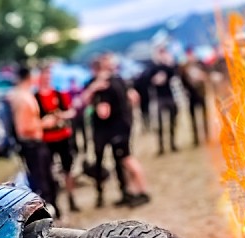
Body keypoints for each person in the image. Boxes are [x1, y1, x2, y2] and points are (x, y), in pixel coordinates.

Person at [81, 54, 151, 208]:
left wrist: (99, 104)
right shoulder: (117, 79)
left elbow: (103, 112)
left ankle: (142, 192)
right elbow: (134, 98)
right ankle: (131, 192)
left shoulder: (106, 85)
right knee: (123, 161)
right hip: (122, 125)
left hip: (116, 129)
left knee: (127, 160)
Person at [8, 66, 59, 214]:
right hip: (31, 145)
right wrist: (44, 123)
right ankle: (47, 213)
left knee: (47, 180)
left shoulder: (24, 94)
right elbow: (23, 128)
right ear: (30, 77)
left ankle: (51, 209)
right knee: (42, 182)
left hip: (35, 143)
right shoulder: (22, 98)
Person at [37, 65, 79, 213]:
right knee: (49, 171)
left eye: (49, 76)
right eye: (44, 76)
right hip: (47, 139)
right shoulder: (35, 98)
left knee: (68, 168)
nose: (47, 79)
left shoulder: (59, 94)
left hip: (63, 136)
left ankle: (71, 197)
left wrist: (61, 115)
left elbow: (71, 112)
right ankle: (55, 203)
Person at [144, 47, 181, 155]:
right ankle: (161, 147)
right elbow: (146, 79)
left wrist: (169, 62)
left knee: (172, 121)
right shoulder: (152, 67)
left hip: (169, 96)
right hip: (159, 98)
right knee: (159, 123)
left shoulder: (167, 67)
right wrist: (154, 79)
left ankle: (172, 143)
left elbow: (175, 73)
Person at [180, 51, 211, 147]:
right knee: (193, 118)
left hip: (201, 94)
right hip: (191, 96)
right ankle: (196, 138)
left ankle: (207, 136)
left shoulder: (200, 64)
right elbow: (182, 80)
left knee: (204, 116)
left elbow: (207, 75)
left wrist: (202, 76)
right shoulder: (184, 67)